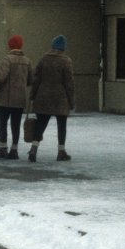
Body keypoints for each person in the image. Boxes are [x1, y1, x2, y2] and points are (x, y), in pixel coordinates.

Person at [27, 34, 75, 162]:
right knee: (61, 125)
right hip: (60, 98)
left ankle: (34, 149)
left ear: (52, 46)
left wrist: (32, 96)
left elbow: (36, 79)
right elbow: (69, 83)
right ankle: (61, 151)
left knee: (41, 124)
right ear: (63, 48)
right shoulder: (66, 61)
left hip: (43, 97)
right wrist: (71, 101)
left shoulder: (44, 59)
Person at [0, 35, 33, 159]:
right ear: (21, 45)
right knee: (15, 125)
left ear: (10, 45)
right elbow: (30, 80)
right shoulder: (27, 61)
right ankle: (14, 150)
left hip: (5, 99)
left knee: (3, 123)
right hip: (20, 98)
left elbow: (2, 77)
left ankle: (3, 148)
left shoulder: (8, 59)